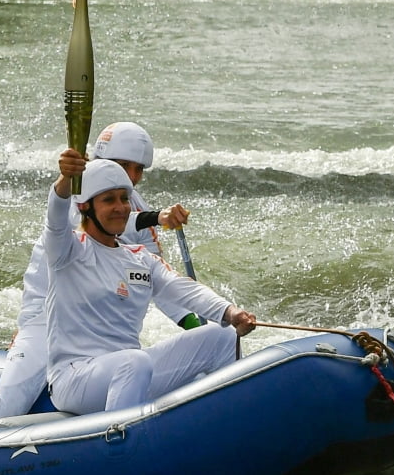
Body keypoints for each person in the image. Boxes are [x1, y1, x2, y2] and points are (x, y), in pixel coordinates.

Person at [0, 122, 193, 427]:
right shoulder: (75, 197)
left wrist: (196, 324)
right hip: (45, 323)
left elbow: (163, 284)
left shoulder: (131, 210)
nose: (133, 178)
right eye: (125, 166)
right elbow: (87, 225)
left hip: (94, 336)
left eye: (139, 169)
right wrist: (157, 217)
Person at [43, 151, 256, 415]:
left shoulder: (141, 259)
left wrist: (231, 313)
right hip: (75, 379)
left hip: (132, 373)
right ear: (85, 207)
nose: (121, 207)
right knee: (134, 361)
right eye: (109, 200)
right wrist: (66, 178)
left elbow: (185, 289)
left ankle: (230, 422)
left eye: (124, 198)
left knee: (222, 335)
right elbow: (55, 217)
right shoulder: (67, 250)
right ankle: (117, 442)